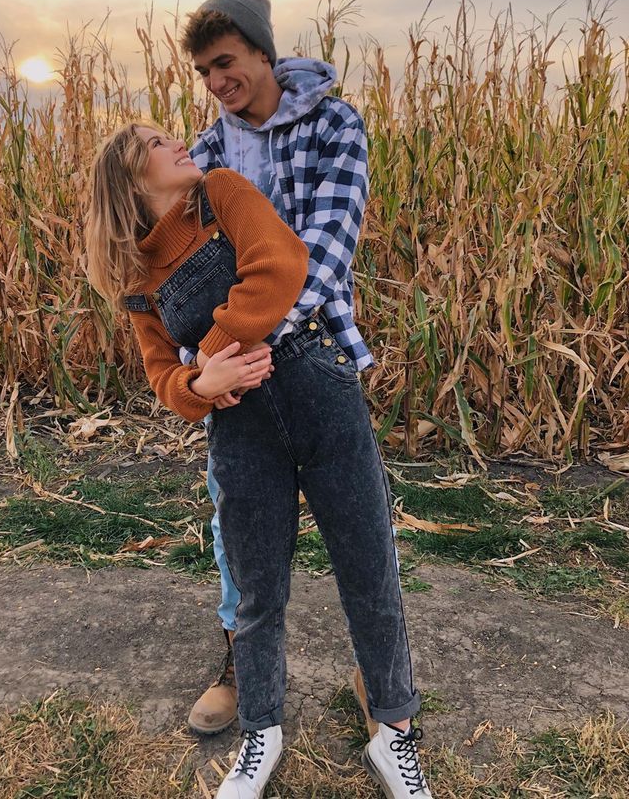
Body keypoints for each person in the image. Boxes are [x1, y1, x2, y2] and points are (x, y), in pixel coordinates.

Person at [85, 122, 432, 799]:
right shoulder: (136, 282)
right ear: (131, 179)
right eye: (156, 143)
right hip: (237, 426)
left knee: (369, 566)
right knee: (254, 587)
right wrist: (200, 385)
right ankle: (261, 733)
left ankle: (394, 734)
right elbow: (163, 375)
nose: (176, 141)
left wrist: (212, 349)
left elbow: (279, 266)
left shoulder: (222, 193)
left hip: (318, 388)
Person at [178, 0, 385, 741]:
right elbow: (182, 270)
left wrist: (265, 337)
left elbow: (330, 249)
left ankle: (377, 673)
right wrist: (209, 361)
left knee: (357, 537)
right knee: (239, 529)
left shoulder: (335, 123)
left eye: (226, 63)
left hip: (314, 350)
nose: (217, 81)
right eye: (204, 71)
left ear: (265, 53)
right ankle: (243, 661)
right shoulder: (202, 156)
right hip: (236, 364)